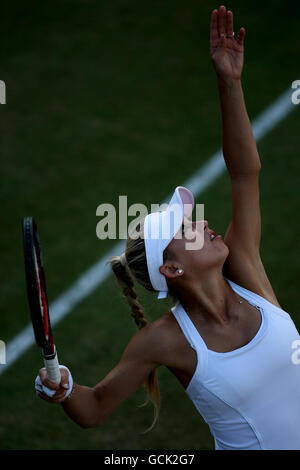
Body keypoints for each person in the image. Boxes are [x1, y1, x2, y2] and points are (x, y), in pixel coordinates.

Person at [35, 6, 300, 450]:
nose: (202, 223)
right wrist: (63, 388)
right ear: (172, 269)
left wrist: (229, 83)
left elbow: (244, 174)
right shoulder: (162, 340)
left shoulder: (247, 273)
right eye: (186, 229)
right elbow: (95, 408)